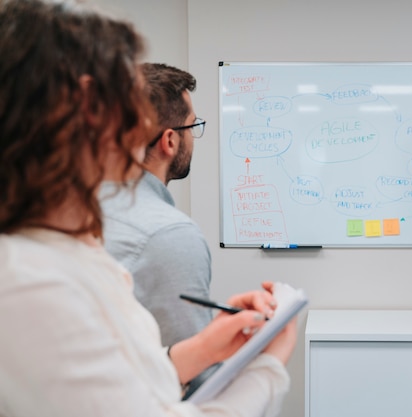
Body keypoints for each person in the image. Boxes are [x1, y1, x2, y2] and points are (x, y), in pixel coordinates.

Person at [0, 1, 296, 416]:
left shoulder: (70, 243)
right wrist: (269, 365)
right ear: (85, 110)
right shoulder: (31, 282)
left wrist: (204, 347)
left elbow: (120, 383)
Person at [99, 63, 213, 395]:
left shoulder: (71, 209)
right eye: (193, 126)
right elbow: (195, 383)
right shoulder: (169, 235)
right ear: (169, 141)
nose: (193, 136)